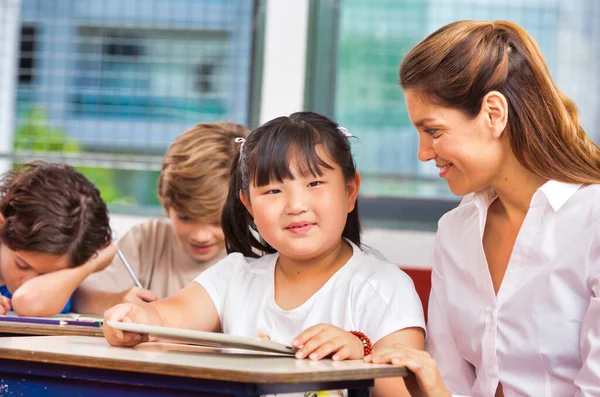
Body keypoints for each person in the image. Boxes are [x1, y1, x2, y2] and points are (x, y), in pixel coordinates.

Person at [103, 112, 425, 396]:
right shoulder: (234, 276)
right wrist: (133, 320)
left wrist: (359, 354)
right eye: (273, 190)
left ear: (349, 190)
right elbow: (164, 317)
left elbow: (408, 391)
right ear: (248, 205)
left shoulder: (384, 287)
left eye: (314, 183)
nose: (296, 205)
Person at [365, 20, 600, 396]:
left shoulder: (593, 222)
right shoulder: (456, 231)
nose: (423, 153)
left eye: (434, 131)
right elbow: (446, 384)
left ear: (494, 113)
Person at [73, 122, 249, 315]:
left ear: (247, 207)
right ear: (165, 203)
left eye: (217, 221)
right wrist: (115, 301)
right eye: (185, 218)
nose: (201, 235)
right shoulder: (147, 240)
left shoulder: (260, 254)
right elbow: (80, 297)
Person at [0, 162, 112, 316]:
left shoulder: (58, 286)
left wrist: (90, 264)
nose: (29, 282)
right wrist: (99, 259)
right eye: (22, 265)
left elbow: (28, 301)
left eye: (47, 276)